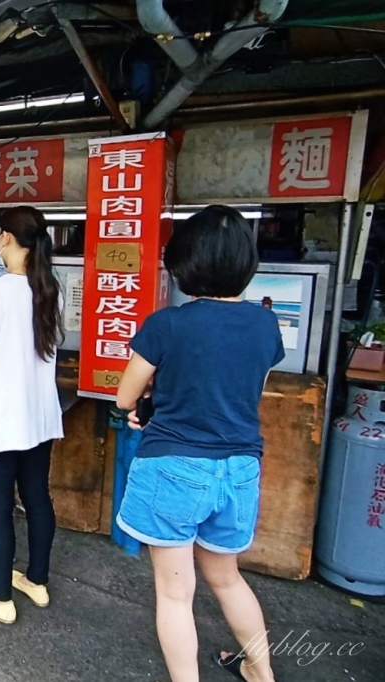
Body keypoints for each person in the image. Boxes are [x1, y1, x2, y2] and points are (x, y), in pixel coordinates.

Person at [115, 206, 284, 682]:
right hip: (239, 469)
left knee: (175, 594)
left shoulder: (167, 324)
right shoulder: (265, 325)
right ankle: (261, 671)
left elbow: (126, 395)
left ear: (184, 261)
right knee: (228, 579)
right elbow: (246, 385)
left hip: (175, 466)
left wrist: (150, 398)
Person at [0, 206, 65, 625]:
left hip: (2, 421)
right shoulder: (49, 288)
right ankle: (36, 580)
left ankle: (0, 595)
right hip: (39, 418)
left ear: (4, 237)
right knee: (37, 498)